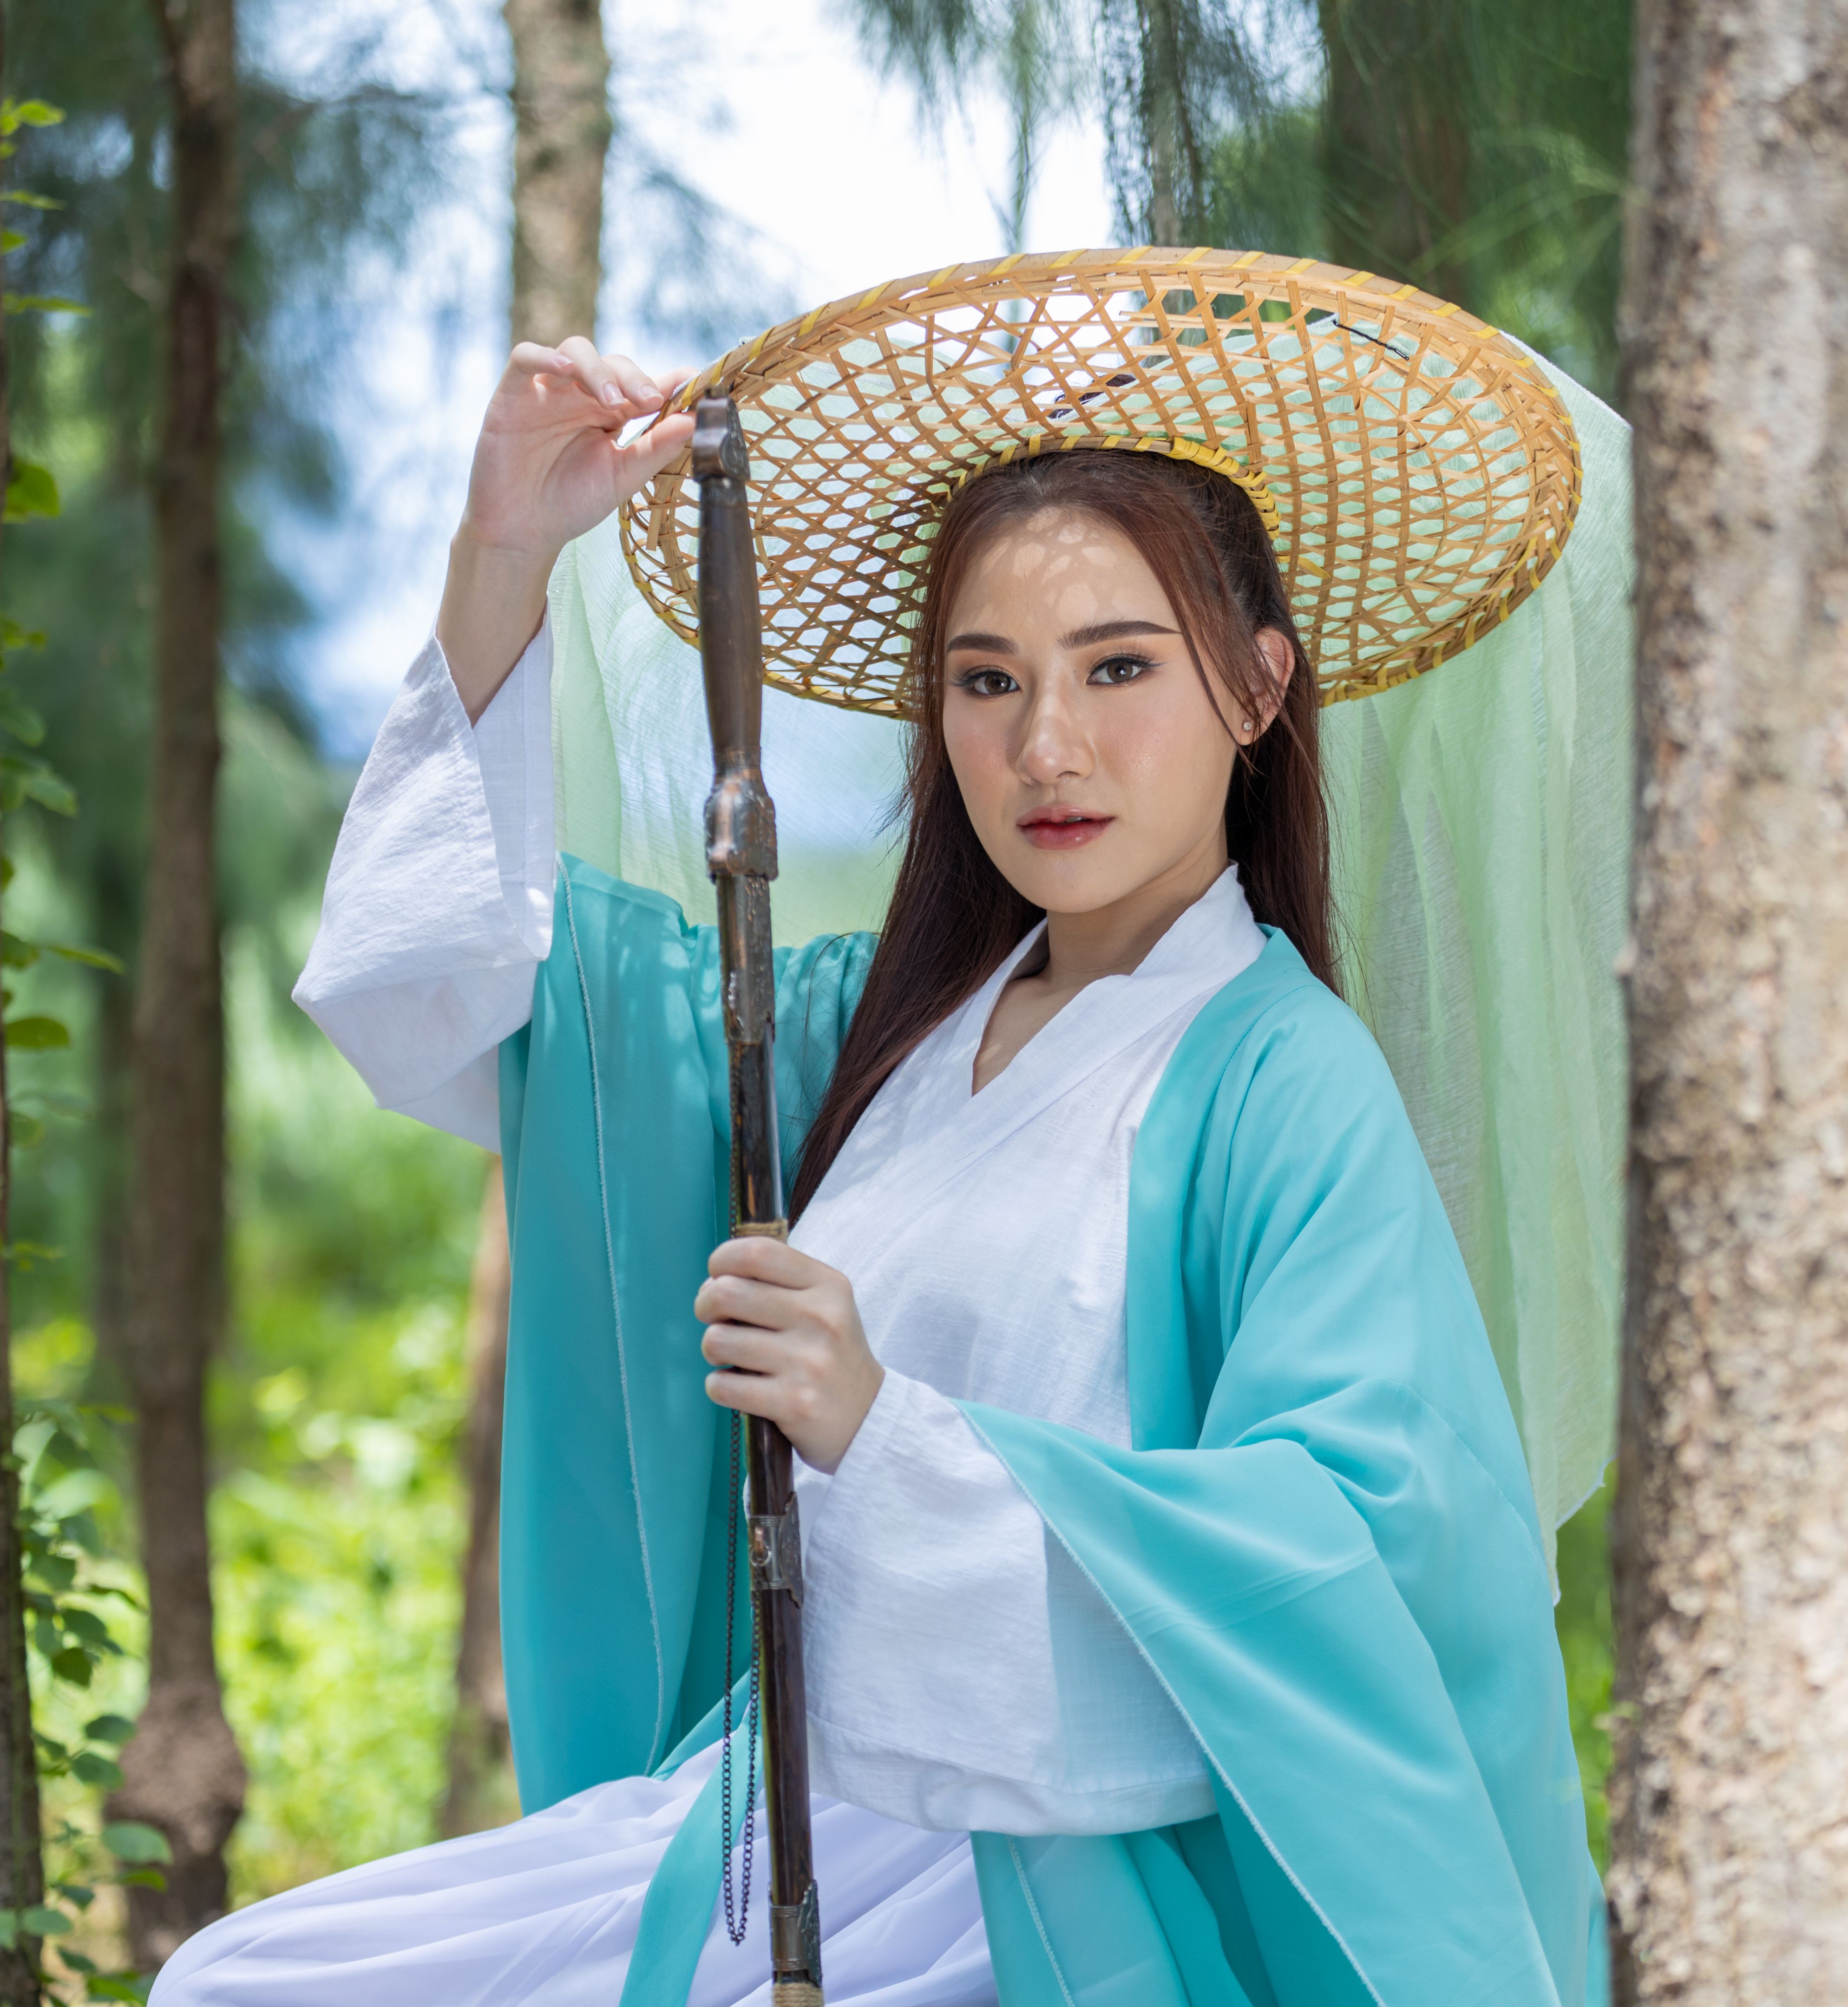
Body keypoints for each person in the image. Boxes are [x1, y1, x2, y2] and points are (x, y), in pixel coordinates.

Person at [156, 254, 1612, 2007]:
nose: (1047, 746)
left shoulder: (1286, 1086)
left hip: (1048, 1864)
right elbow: (450, 998)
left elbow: (1356, 1553)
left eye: (1119, 667)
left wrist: (884, 1428)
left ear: (1257, 687)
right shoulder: (869, 1032)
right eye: (987, 683)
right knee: (238, 1981)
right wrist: (504, 554)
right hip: (777, 1815)